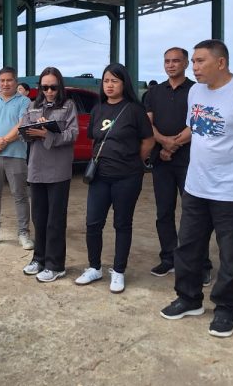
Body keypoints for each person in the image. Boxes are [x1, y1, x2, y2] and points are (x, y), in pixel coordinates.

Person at [160, 39, 233, 338]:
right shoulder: (196, 92)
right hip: (196, 185)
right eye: (194, 62)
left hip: (232, 192)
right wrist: (174, 142)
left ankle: (226, 309)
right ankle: (188, 299)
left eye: (200, 61)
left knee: (230, 253)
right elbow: (195, 127)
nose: (194, 68)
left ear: (221, 62)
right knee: (188, 246)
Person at [75, 63, 154, 293]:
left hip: (127, 177)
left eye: (115, 81)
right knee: (93, 223)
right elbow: (94, 139)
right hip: (100, 176)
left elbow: (148, 140)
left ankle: (118, 271)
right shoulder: (98, 109)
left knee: (122, 224)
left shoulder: (134, 110)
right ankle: (94, 267)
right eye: (106, 81)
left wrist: (132, 160)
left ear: (124, 84)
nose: (109, 85)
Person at [146, 48, 212, 285]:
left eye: (176, 61)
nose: (171, 65)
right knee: (163, 213)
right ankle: (169, 258)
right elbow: (148, 124)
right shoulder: (154, 92)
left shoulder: (198, 90)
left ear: (186, 63)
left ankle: (201, 264)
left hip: (190, 162)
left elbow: (198, 124)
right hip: (161, 163)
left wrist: (172, 145)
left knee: (195, 215)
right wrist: (163, 143)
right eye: (167, 61)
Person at [19, 67, 78, 282]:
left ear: (59, 86)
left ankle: (56, 264)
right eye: (45, 87)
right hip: (36, 169)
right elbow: (24, 130)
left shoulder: (68, 105)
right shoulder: (33, 106)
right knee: (39, 218)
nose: (49, 91)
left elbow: (72, 134)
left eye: (53, 87)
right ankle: (39, 258)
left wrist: (48, 134)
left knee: (55, 219)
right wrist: (30, 132)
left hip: (59, 170)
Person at [0, 67, 33, 250]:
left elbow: (21, 124)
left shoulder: (24, 101)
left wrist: (3, 142)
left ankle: (23, 233)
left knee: (20, 196)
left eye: (9, 80)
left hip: (16, 155)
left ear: (15, 81)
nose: (5, 83)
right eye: (2, 80)